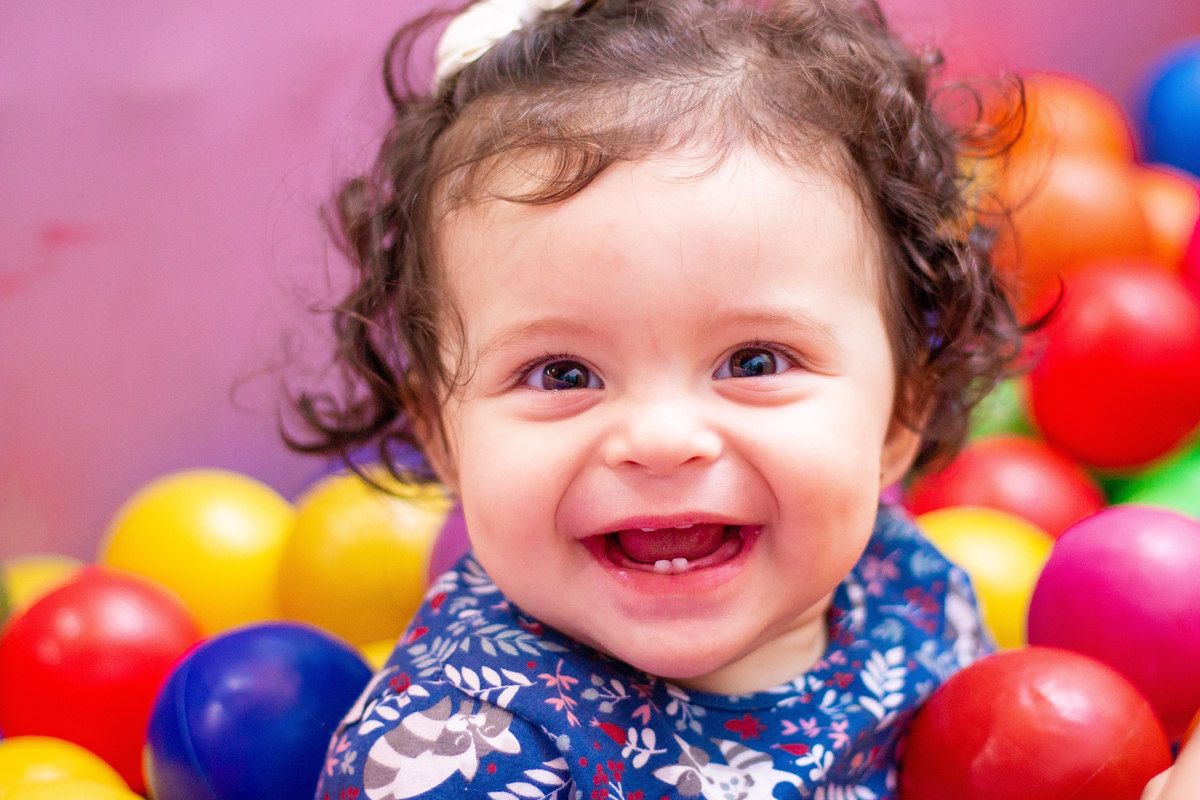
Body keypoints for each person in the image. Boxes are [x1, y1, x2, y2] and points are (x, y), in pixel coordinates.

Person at [290, 0, 1194, 797]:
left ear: (901, 410)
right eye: (563, 375)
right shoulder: (460, 756)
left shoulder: (899, 583)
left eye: (755, 360)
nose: (661, 437)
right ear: (441, 433)